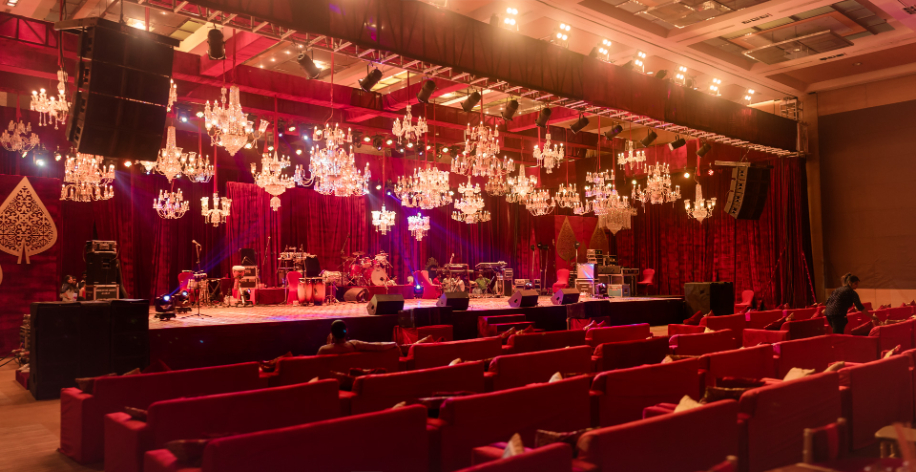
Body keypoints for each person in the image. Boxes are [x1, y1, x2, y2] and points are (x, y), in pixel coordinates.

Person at [317, 320, 397, 355]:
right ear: (347, 331)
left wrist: (329, 344)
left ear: (331, 334)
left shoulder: (323, 350)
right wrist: (394, 344)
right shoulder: (355, 345)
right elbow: (379, 346)